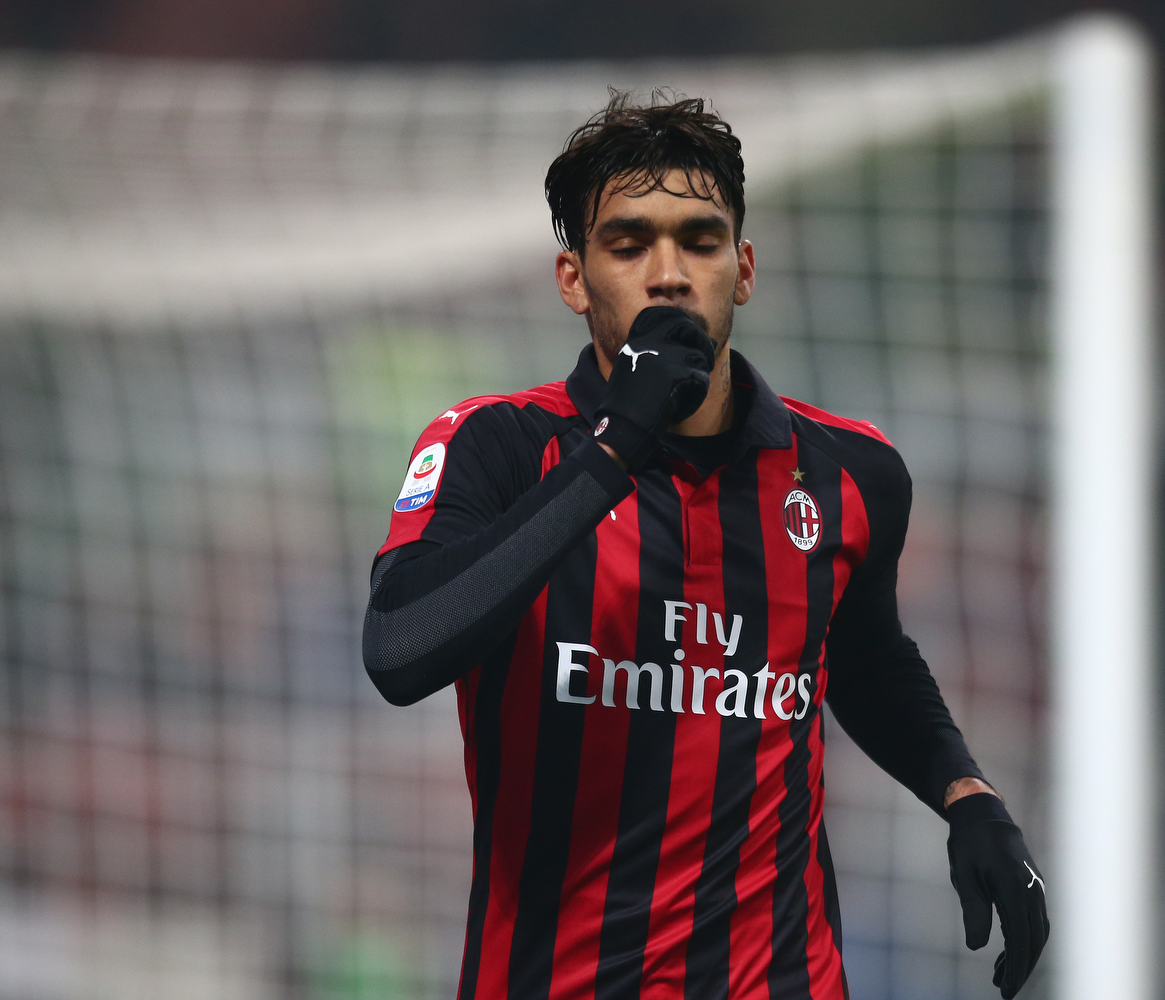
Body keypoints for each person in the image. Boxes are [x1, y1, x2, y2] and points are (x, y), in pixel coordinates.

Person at [363, 91, 1048, 1000]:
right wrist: (619, 444)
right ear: (574, 279)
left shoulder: (850, 474)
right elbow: (400, 650)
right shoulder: (495, 445)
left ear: (745, 267)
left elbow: (864, 656)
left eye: (699, 239)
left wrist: (966, 794)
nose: (669, 273)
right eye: (628, 243)